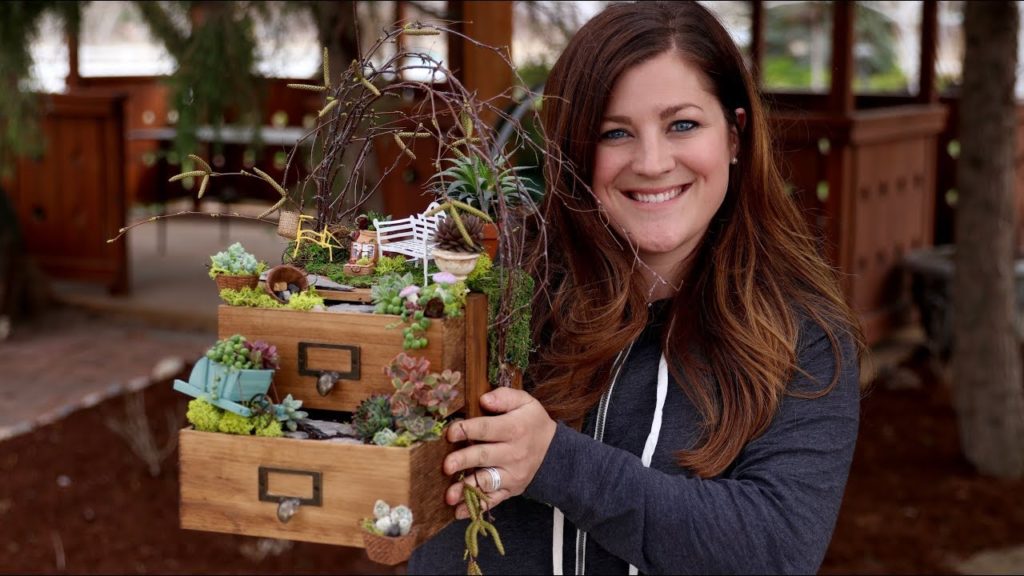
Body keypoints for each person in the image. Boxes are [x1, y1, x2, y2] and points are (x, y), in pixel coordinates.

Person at [410, 2, 864, 574]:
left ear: (734, 134)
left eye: (683, 125)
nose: (652, 162)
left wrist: (554, 461)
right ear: (573, 149)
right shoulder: (497, 294)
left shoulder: (802, 334)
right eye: (615, 132)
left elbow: (774, 548)